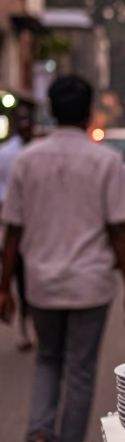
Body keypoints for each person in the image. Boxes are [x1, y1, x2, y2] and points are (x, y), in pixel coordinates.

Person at [0, 75, 125, 442]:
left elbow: (12, 231)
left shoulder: (28, 159)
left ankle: (40, 436)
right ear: (88, 112)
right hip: (89, 284)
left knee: (47, 359)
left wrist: (4, 285)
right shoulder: (105, 162)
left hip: (40, 283)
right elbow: (119, 230)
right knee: (79, 372)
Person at [0, 101, 36, 349]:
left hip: (36, 226)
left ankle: (29, 323)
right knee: (15, 274)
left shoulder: (39, 152)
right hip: (10, 224)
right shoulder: (5, 154)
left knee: (30, 279)